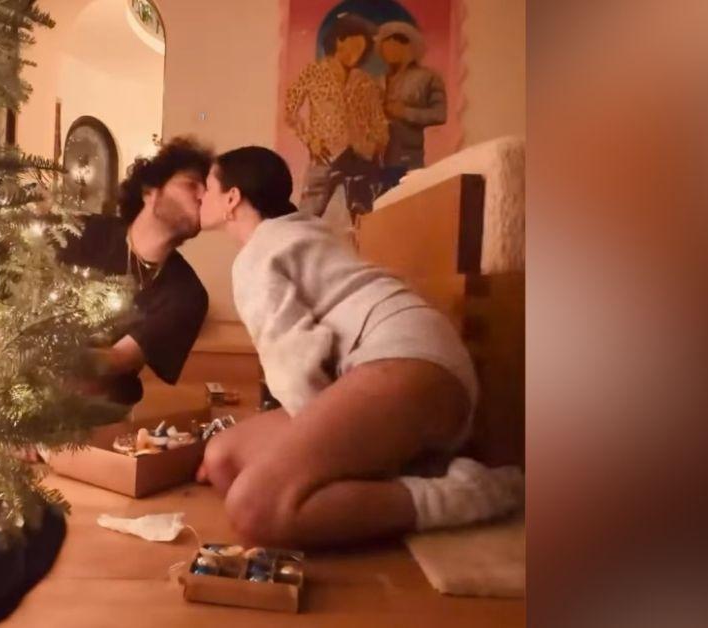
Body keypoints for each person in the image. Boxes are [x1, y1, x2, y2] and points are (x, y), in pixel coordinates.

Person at [195, 146, 522, 547]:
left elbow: (293, 364)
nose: (200, 197)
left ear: (232, 199)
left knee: (255, 508)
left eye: (208, 187)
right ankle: (415, 466)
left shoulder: (257, 256)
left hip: (407, 364)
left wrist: (314, 449)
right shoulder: (301, 232)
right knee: (223, 458)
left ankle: (467, 494)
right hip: (415, 365)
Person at [57, 137, 211, 406]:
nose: (203, 196)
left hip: (95, 420)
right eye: (191, 184)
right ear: (150, 191)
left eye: (208, 190)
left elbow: (118, 358)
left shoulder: (187, 294)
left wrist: (40, 358)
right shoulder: (78, 231)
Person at [284, 13, 388, 223]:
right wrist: (310, 140)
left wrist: (376, 147)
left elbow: (378, 120)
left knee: (365, 218)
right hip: (325, 155)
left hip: (360, 158)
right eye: (352, 47)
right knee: (307, 216)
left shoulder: (366, 81)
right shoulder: (314, 72)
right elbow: (290, 111)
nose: (356, 55)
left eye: (361, 50)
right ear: (338, 40)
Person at [376, 21, 447, 190]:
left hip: (408, 159)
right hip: (377, 161)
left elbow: (440, 114)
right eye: (386, 47)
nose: (389, 51)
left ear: (409, 47)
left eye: (395, 45)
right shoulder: (379, 81)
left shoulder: (427, 78)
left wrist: (405, 112)